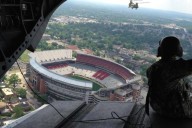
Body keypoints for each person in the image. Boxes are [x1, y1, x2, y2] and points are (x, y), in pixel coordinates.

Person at [145, 36, 192, 118]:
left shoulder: (153, 67)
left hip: (157, 107)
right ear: (177, 50)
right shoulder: (174, 68)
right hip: (172, 111)